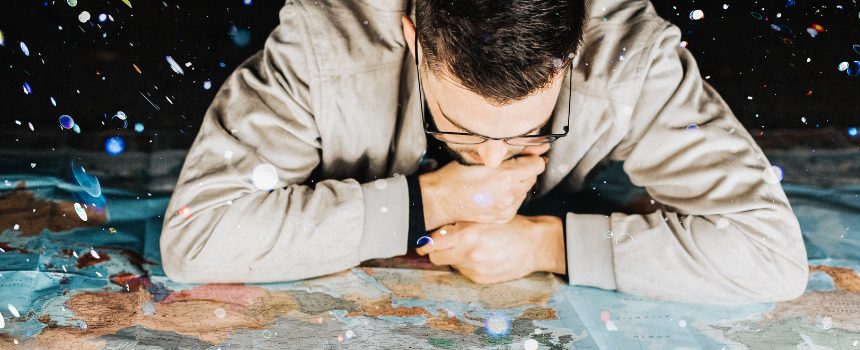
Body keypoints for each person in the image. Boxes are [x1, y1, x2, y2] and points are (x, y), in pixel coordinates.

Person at [160, 0, 809, 304]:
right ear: (413, 39)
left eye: (532, 132)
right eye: (465, 133)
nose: (494, 166)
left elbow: (771, 258)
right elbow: (197, 239)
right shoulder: (324, 41)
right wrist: (425, 200)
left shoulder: (631, 55)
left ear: (576, 49)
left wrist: (542, 244)